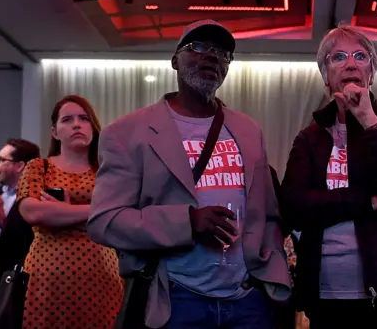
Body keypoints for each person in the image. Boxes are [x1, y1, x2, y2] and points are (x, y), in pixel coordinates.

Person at [88, 20, 291, 329]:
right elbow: (105, 221)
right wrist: (188, 221)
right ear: (174, 60)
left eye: (222, 53)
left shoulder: (249, 131)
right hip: (176, 299)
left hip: (247, 299)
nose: (212, 56)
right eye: (198, 47)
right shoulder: (127, 132)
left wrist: (267, 274)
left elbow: (269, 216)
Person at [280, 24, 377, 329]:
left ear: (372, 72)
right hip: (328, 297)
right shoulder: (310, 138)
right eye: (337, 57)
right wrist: (369, 202)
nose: (350, 63)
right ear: (326, 75)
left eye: (360, 56)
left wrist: (369, 120)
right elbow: (294, 207)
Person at [17, 95, 123, 328]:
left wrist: (63, 211)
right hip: (47, 277)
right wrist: (96, 212)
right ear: (55, 132)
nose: (77, 124)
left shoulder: (109, 171)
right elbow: (33, 213)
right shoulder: (39, 167)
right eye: (68, 119)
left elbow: (120, 217)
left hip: (101, 276)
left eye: (84, 118)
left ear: (94, 128)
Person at [0, 139, 40, 327]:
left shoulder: (33, 199)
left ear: (19, 166)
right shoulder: (0, 192)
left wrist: (4, 222)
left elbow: (29, 241)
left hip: (10, 283)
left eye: (1, 159)